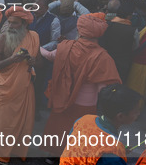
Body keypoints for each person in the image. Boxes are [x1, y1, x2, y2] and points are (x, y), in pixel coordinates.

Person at [40, 13, 121, 157]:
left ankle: (52, 156)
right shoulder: (103, 57)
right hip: (86, 104)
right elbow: (104, 89)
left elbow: (49, 55)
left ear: (79, 31)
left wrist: (35, 45)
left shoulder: (66, 47)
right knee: (79, 132)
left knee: (59, 127)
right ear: (99, 35)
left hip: (62, 96)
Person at [0, 6, 40, 165]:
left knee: (24, 122)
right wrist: (13, 59)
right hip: (6, 87)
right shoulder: (2, 38)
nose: (10, 26)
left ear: (25, 24)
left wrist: (33, 61)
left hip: (25, 85)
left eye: (15, 23)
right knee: (4, 123)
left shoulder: (33, 36)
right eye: (9, 22)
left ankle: (18, 150)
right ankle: (1, 153)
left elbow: (38, 60)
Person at [99, 0, 139, 82]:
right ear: (129, 16)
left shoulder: (106, 25)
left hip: (104, 62)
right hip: (121, 65)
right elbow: (135, 47)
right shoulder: (133, 31)